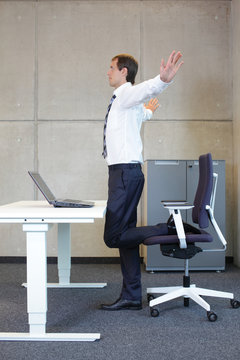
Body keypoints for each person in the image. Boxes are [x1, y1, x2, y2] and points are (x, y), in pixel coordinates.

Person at [101, 51, 183, 311]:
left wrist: (163, 80)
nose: (108, 71)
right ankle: (132, 295)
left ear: (124, 71)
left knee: (114, 237)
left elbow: (147, 89)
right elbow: (140, 114)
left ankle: (165, 228)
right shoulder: (127, 103)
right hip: (124, 173)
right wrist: (147, 112)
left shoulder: (126, 93)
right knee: (125, 235)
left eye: (111, 67)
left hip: (124, 173)